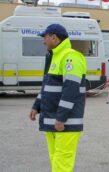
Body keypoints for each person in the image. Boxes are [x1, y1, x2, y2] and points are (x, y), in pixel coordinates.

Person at [29, 24, 87, 172]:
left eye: (45, 37)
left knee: (62, 162)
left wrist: (61, 118)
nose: (43, 41)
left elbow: (71, 90)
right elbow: (47, 86)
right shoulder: (54, 56)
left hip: (64, 122)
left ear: (54, 37)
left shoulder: (71, 56)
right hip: (53, 120)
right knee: (56, 159)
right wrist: (37, 106)